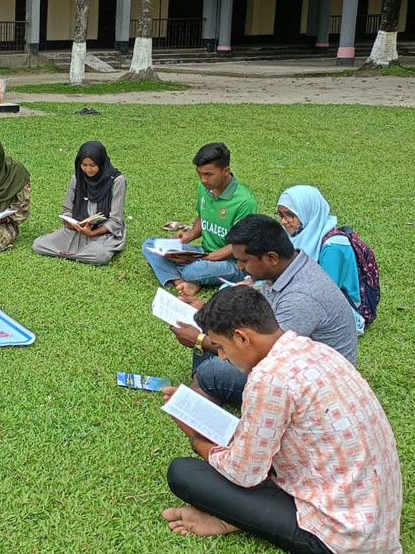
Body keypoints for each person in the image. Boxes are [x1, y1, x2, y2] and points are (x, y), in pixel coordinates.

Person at [161, 286, 402, 554]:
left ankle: (233, 519)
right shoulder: (313, 349)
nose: (222, 357)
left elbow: (244, 474)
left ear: (241, 337)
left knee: (183, 472)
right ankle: (236, 516)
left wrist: (196, 437)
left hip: (340, 538)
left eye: (222, 347)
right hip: (371, 514)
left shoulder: (268, 378)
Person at [168, 214, 358, 409]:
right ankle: (205, 388)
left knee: (210, 369)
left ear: (271, 258)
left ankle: (203, 389)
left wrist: (200, 341)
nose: (240, 267)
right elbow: (253, 311)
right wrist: (205, 310)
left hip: (319, 386)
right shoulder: (288, 268)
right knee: (214, 331)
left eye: (244, 261)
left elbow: (270, 357)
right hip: (295, 363)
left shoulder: (301, 298)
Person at [143, 143, 256, 298]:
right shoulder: (205, 187)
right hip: (204, 252)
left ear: (226, 171)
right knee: (150, 245)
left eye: (209, 174)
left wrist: (203, 258)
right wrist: (189, 236)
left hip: (233, 263)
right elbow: (203, 215)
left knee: (194, 269)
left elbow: (240, 245)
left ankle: (178, 271)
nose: (203, 179)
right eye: (199, 173)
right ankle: (183, 283)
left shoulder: (244, 202)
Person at [277, 185, 366, 334]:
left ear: (307, 211)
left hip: (337, 305)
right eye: (280, 215)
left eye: (290, 215)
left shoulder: (333, 246)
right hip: (302, 295)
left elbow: (326, 293)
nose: (284, 221)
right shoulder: (297, 235)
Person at [32, 141, 126, 265]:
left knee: (99, 256)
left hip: (103, 233)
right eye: (84, 165)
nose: (88, 169)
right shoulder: (77, 178)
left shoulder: (117, 181)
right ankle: (79, 254)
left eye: (93, 165)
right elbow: (67, 209)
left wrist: (91, 233)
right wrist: (70, 223)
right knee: (38, 245)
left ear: (101, 163)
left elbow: (115, 220)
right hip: (76, 230)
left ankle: (72, 253)